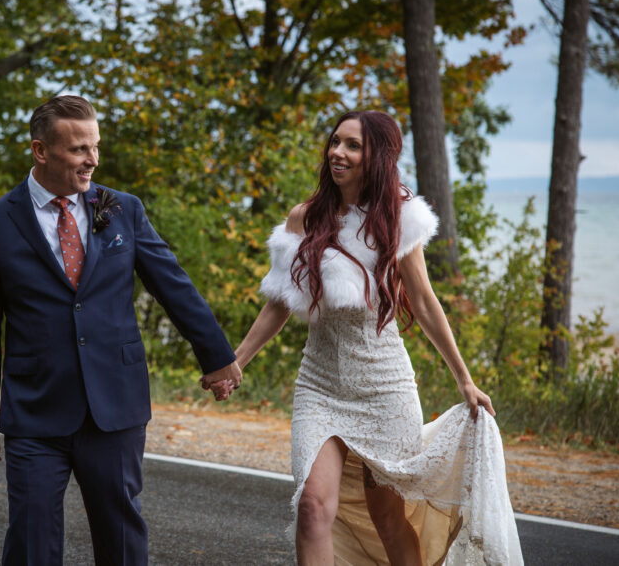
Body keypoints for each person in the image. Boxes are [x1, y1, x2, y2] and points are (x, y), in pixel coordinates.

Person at [205, 111, 523, 565]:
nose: (338, 152)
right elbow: (278, 302)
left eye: (353, 145)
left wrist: (465, 380)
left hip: (384, 387)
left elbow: (427, 303)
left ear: (377, 156)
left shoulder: (396, 218)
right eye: (336, 141)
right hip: (319, 385)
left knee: (389, 518)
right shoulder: (304, 219)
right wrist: (234, 363)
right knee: (313, 508)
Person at [0, 95, 241, 565]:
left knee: (121, 539)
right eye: (78, 150)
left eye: (95, 147)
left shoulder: (122, 210)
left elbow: (174, 286)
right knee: (31, 542)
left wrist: (216, 358)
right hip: (34, 409)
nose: (92, 160)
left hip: (115, 404)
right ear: (40, 150)